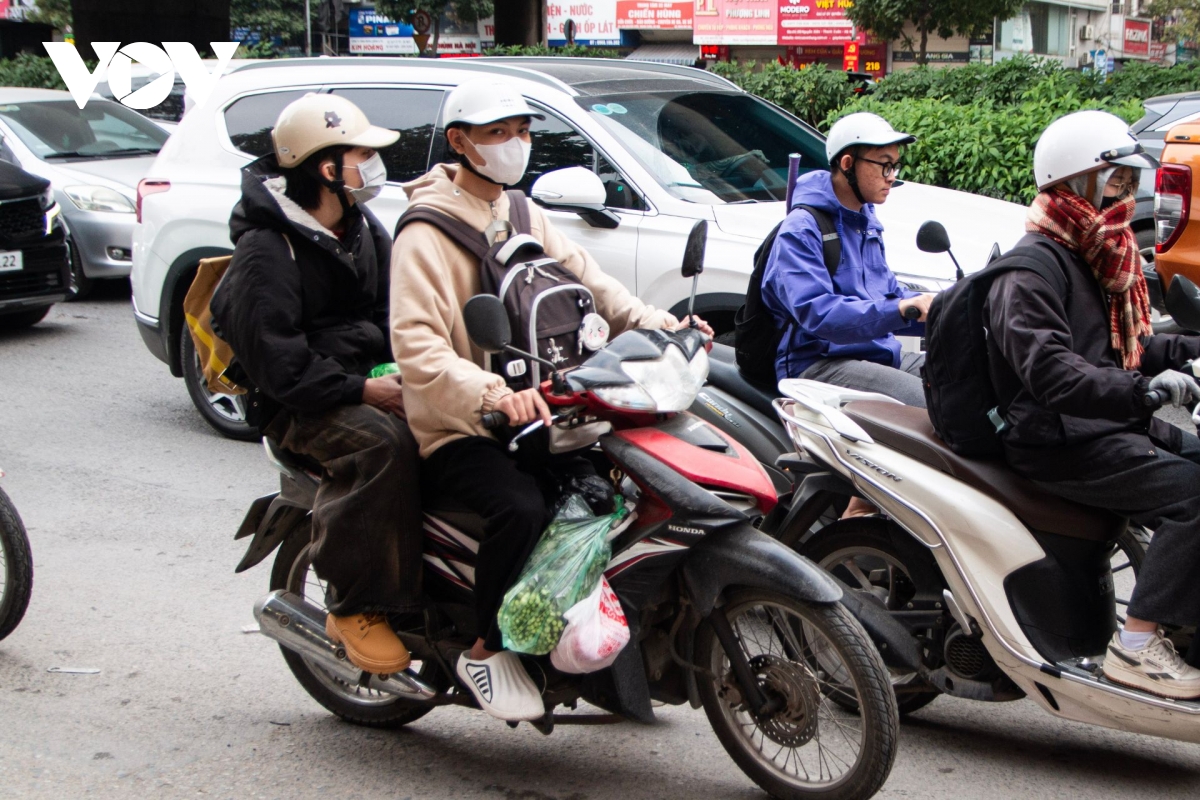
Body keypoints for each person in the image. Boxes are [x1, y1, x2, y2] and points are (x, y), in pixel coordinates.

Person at [390, 79, 711, 721]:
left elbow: (595, 286)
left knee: (614, 492)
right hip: (464, 426)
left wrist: (662, 326)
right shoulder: (423, 234)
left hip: (547, 406)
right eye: (497, 133)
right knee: (521, 507)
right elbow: (417, 346)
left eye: (522, 131)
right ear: (460, 142)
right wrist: (490, 393)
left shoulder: (523, 213)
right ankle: (485, 649)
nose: (515, 144)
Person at [982, 109, 1200, 699]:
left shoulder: (1092, 254)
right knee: (1193, 496)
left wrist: (1190, 353)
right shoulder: (1030, 271)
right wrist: (1141, 391)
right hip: (1058, 439)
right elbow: (1052, 373)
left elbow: (1129, 347)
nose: (1124, 198)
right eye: (1114, 183)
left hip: (1100, 424)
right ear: (1074, 183)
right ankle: (1136, 648)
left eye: (1129, 184)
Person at [211, 94, 422, 676]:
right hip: (299, 403)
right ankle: (354, 605)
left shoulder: (360, 227)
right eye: (362, 156)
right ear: (328, 169)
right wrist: (362, 390)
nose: (373, 166)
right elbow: (281, 367)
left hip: (360, 378)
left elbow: (394, 313)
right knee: (383, 445)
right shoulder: (266, 251)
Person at [761, 112, 933, 407]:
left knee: (968, 378)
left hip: (877, 353)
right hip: (819, 363)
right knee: (933, 404)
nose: (892, 176)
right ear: (847, 164)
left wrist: (945, 308)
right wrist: (901, 310)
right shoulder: (802, 228)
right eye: (884, 165)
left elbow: (889, 294)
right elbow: (819, 314)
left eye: (895, 165)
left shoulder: (866, 222)